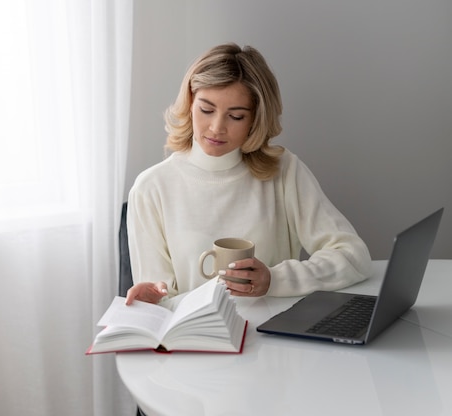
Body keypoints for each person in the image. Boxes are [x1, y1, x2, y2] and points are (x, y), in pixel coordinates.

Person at [125, 43, 373, 305]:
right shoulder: (151, 187)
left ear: (256, 119)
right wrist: (152, 298)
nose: (217, 128)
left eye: (236, 116)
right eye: (206, 110)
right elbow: (159, 297)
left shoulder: (284, 171)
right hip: (197, 340)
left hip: (275, 335)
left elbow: (353, 256)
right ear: (189, 103)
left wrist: (275, 280)